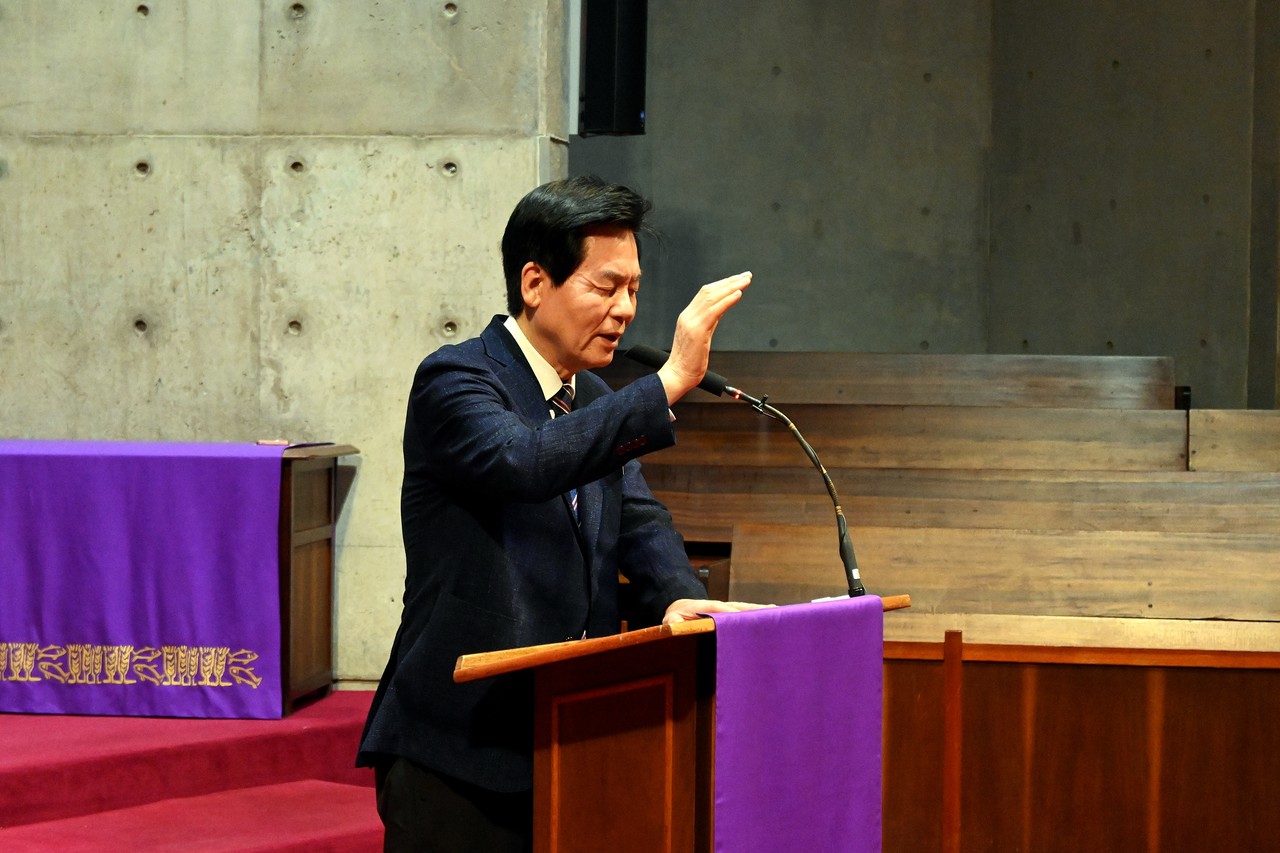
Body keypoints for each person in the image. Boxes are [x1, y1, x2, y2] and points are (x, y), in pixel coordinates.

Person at [357, 175, 763, 852]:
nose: (626, 309)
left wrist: (679, 597)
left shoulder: (593, 395)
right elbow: (524, 462)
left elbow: (639, 519)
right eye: (606, 287)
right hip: (459, 749)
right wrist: (666, 383)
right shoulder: (457, 379)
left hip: (572, 739)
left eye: (633, 289)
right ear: (535, 282)